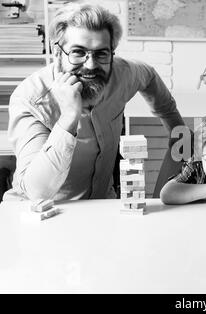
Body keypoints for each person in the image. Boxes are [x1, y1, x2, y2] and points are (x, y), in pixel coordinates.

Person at [4, 3, 184, 201]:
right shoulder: (31, 99)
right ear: (57, 53)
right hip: (47, 212)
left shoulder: (122, 73)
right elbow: (35, 191)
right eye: (78, 52)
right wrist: (68, 118)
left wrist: (178, 132)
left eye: (101, 53)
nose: (90, 65)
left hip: (102, 203)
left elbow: (149, 76)